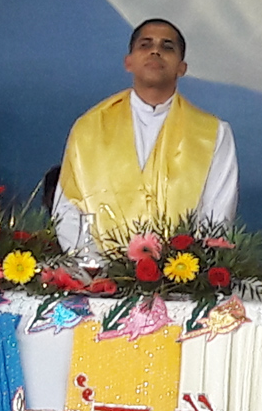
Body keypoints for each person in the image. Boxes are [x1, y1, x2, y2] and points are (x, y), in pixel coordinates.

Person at [53, 18, 238, 252]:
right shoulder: (89, 128)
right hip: (98, 270)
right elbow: (68, 207)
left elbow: (218, 215)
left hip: (182, 270)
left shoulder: (212, 134)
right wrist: (95, 264)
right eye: (145, 45)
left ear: (182, 68)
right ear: (128, 62)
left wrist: (187, 265)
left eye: (167, 47)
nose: (155, 51)